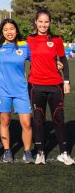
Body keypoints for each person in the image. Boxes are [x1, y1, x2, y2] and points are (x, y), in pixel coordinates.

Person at [27, 9, 74, 165]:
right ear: (35, 22)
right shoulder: (29, 39)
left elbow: (63, 61)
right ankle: (40, 152)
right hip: (36, 85)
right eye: (40, 21)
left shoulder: (57, 39)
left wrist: (66, 81)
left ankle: (64, 153)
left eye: (46, 22)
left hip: (55, 85)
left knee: (59, 118)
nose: (43, 25)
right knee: (38, 119)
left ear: (50, 22)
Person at [0, 19, 34, 164]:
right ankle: (7, 151)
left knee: (26, 122)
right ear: (2, 32)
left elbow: (38, 60)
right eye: (6, 29)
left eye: (12, 29)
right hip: (3, 90)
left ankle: (27, 152)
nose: (9, 32)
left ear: (16, 30)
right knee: (4, 120)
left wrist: (56, 63)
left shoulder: (25, 46)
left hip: (21, 91)